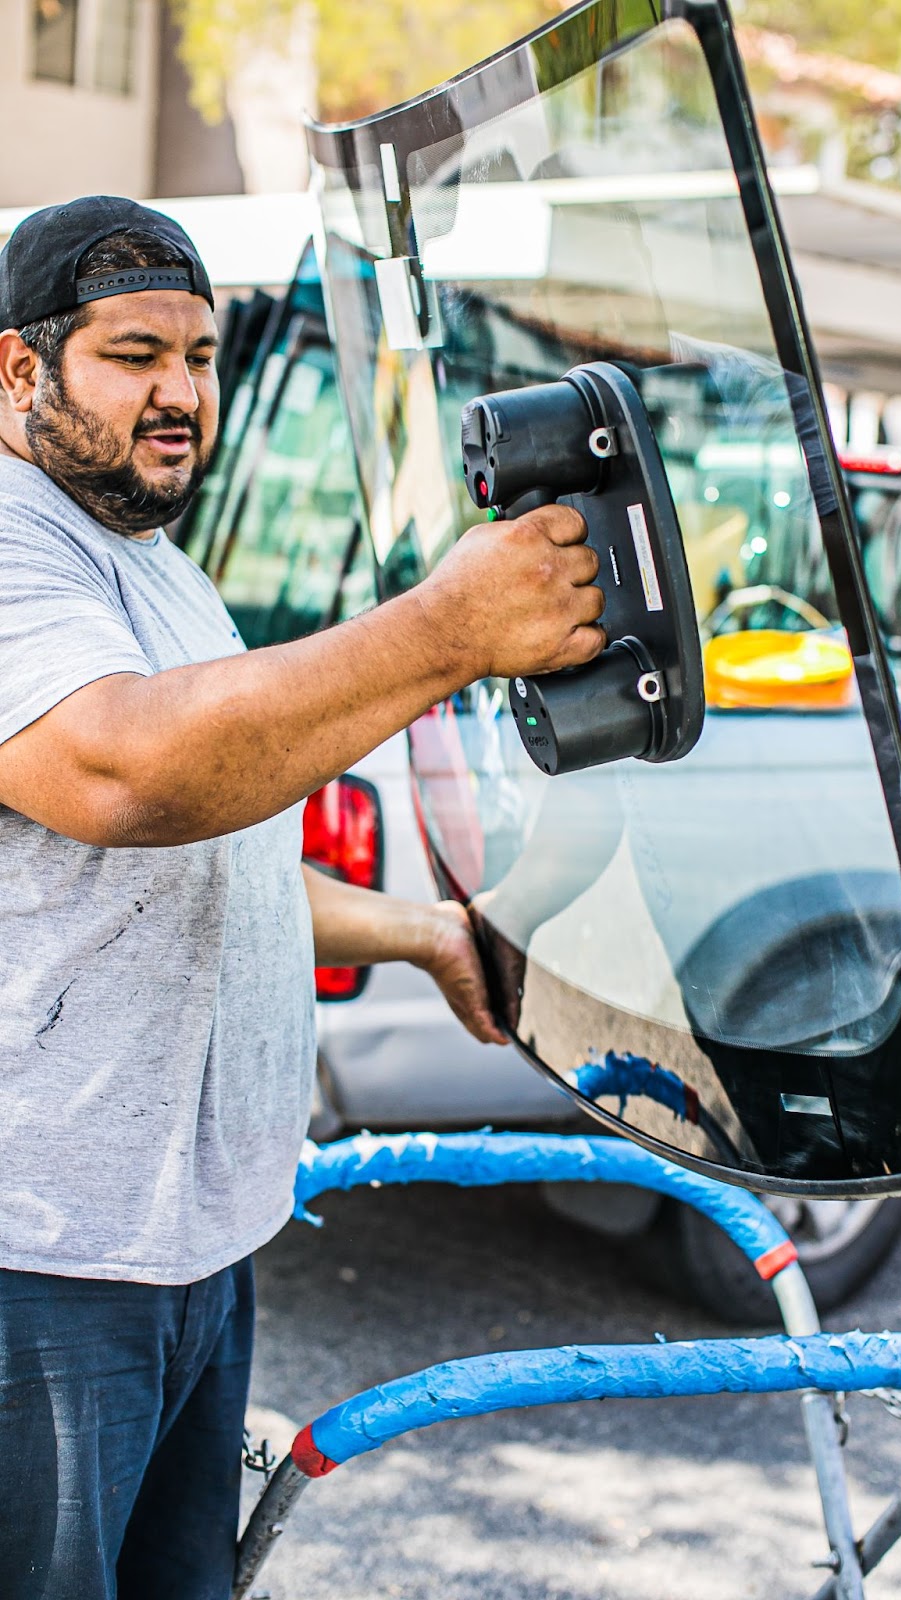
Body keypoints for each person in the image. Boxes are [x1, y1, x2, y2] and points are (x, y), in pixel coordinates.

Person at [0, 195, 605, 1600]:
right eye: (134, 355)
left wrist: (419, 931)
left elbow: (204, 866)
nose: (180, 394)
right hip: (39, 1267)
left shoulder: (151, 568)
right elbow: (124, 777)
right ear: (18, 368)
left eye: (200, 357)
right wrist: (449, 628)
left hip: (189, 1249)